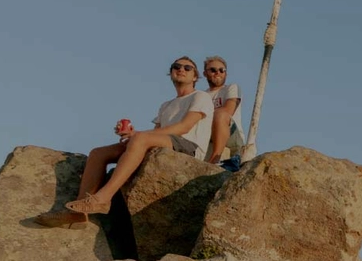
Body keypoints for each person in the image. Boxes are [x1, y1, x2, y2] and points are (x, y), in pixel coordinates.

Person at [36, 56, 214, 227]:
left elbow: (184, 127)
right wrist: (132, 134)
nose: (181, 69)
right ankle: (78, 212)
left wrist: (139, 135)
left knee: (140, 138)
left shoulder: (200, 97)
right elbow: (156, 133)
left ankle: (103, 199)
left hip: (189, 147)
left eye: (187, 68)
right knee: (99, 153)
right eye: (176, 66)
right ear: (171, 73)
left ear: (195, 76)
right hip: (164, 142)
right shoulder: (166, 105)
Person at [202, 55, 245, 171]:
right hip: (208, 133)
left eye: (222, 70)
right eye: (213, 70)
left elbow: (228, 110)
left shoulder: (232, 88)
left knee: (221, 114)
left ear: (226, 74)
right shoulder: (201, 96)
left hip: (231, 134)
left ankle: (216, 158)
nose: (218, 73)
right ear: (205, 73)